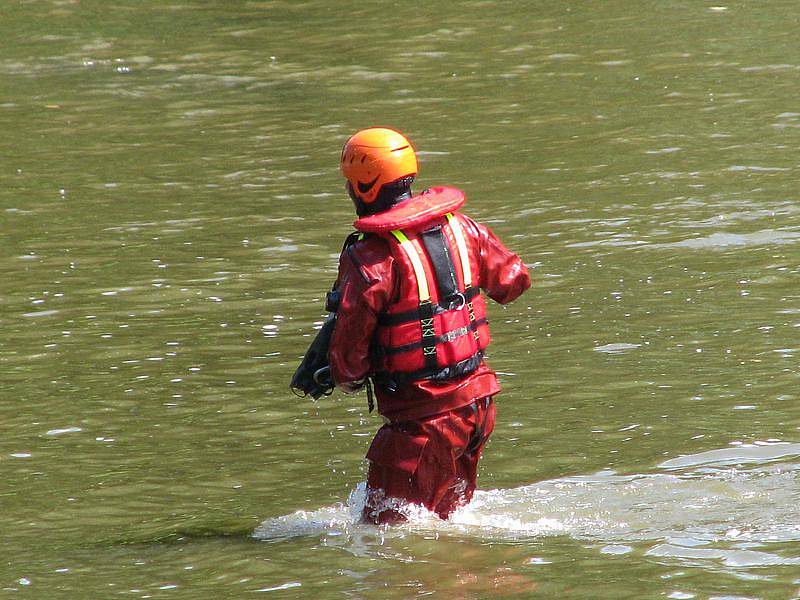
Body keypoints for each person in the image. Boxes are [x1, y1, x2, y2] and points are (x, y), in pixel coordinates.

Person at [327, 127, 530, 524]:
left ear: (363, 187)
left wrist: (343, 376)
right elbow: (514, 280)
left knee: (383, 537)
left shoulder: (371, 257)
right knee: (444, 526)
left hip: (424, 423)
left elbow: (349, 361)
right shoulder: (464, 229)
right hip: (479, 406)